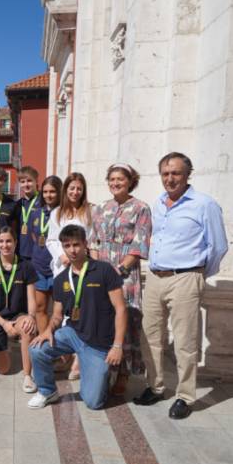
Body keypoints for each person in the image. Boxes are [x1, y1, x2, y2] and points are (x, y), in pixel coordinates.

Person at [135, 152, 228, 419]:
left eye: (176, 173)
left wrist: (197, 274)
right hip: (155, 277)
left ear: (188, 174)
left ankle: (185, 396)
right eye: (165, 173)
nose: (170, 178)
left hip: (186, 277)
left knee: (185, 341)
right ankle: (155, 386)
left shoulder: (204, 204)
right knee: (150, 335)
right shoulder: (158, 203)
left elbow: (218, 246)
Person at [28, 225, 127, 410]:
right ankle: (47, 391)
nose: (72, 250)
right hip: (73, 334)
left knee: (93, 402)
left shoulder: (104, 270)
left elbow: (121, 309)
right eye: (67, 246)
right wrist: (47, 331)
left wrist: (117, 346)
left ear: (85, 244)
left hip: (98, 344)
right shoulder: (61, 279)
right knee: (37, 348)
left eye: (76, 245)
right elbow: (57, 316)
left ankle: (104, 373)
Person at [90, 163, 152, 395]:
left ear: (130, 181)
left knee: (126, 321)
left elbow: (139, 245)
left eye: (120, 179)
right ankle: (104, 369)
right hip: (101, 272)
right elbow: (93, 241)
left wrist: (119, 271)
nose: (115, 183)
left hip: (124, 275)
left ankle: (124, 372)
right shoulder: (100, 208)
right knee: (102, 319)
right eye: (112, 179)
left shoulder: (141, 208)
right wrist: (97, 269)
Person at [45, 171, 93, 380]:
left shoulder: (89, 212)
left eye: (79, 188)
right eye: (72, 188)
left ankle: (78, 359)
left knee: (81, 308)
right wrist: (62, 255)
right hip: (63, 266)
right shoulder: (57, 213)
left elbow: (92, 238)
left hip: (82, 266)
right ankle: (65, 355)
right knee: (65, 310)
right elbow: (50, 240)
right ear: (66, 190)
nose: (75, 192)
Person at [0, 227, 38, 391]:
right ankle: (2, 345)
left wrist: (31, 316)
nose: (5, 245)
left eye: (9, 241)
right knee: (4, 369)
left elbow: (32, 298)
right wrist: (3, 323)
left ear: (16, 242)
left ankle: (28, 376)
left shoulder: (26, 266)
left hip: (17, 315)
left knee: (28, 327)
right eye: (1, 241)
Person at [29, 175, 63, 339]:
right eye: (45, 192)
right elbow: (34, 237)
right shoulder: (36, 213)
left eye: (52, 191)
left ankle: (59, 345)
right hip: (39, 267)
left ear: (60, 192)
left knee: (60, 311)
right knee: (40, 307)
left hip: (58, 267)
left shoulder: (64, 213)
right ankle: (43, 342)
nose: (48, 195)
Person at [16, 166, 42, 259]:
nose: (26, 184)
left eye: (29, 181)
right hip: (20, 253)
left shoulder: (43, 202)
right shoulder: (18, 204)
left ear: (36, 181)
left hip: (38, 253)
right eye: (22, 182)